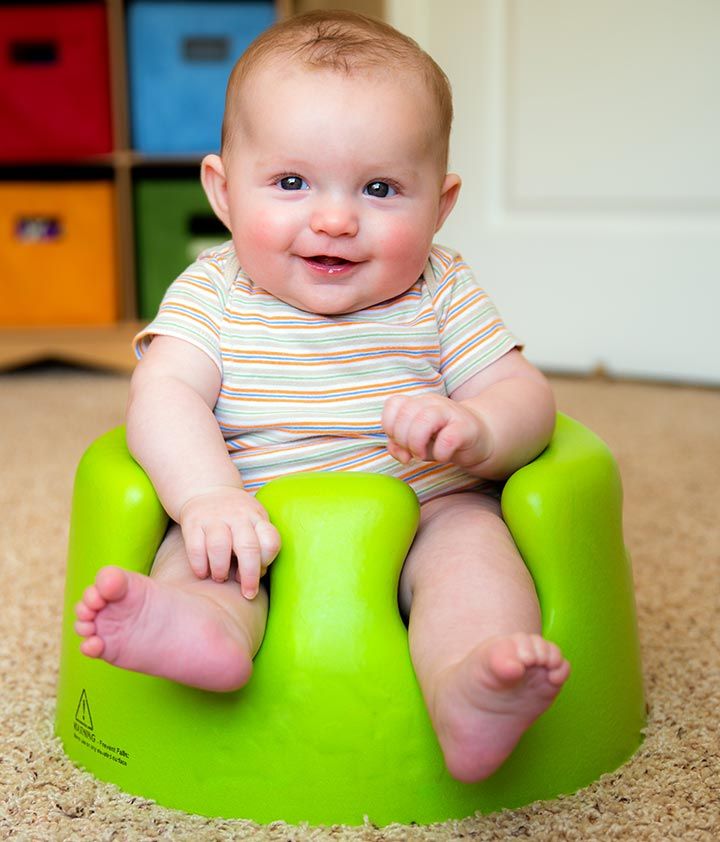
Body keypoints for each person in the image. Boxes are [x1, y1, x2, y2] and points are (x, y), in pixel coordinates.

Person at [74, 10, 570, 783]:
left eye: (379, 188)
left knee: (474, 556)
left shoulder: (442, 289)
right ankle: (202, 634)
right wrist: (207, 497)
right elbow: (163, 393)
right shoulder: (214, 289)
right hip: (252, 506)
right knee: (202, 559)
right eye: (292, 182)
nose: (334, 219)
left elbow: (524, 395)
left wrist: (478, 428)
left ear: (439, 206)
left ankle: (471, 683)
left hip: (424, 505)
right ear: (225, 190)